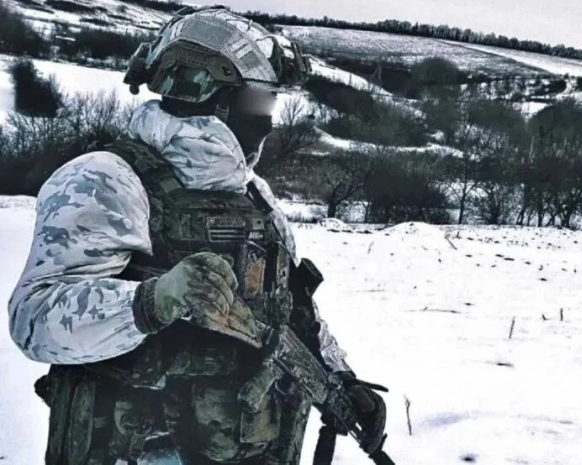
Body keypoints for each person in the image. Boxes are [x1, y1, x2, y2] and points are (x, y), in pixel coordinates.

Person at [7, 7, 386, 464]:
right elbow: (35, 320)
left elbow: (290, 308)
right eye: (263, 99)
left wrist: (340, 377)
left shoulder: (255, 194)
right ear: (213, 96)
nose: (269, 117)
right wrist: (149, 302)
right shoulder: (105, 179)